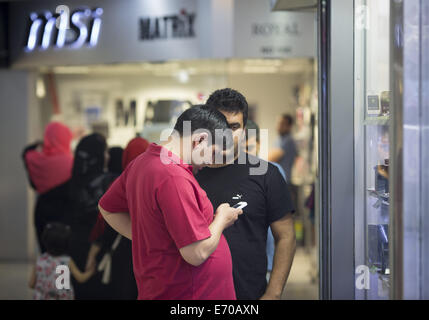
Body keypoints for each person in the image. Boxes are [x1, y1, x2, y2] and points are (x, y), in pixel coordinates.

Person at [98, 105, 242, 300]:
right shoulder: (173, 177)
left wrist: (153, 239)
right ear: (199, 140)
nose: (210, 161)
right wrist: (222, 219)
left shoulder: (142, 162)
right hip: (186, 293)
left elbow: (107, 209)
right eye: (213, 152)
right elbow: (196, 253)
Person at [196, 88, 296, 300]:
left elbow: (286, 236)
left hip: (249, 295)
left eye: (233, 127)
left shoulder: (266, 175)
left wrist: (273, 294)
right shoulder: (187, 175)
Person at [86, 138, 148, 300]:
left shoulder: (120, 184)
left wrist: (94, 252)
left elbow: (106, 222)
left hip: (124, 249)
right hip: (150, 250)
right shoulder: (158, 182)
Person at [65, 133, 114, 300]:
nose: (107, 156)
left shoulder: (69, 185)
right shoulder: (110, 183)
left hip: (72, 249)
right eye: (105, 152)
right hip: (100, 250)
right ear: (97, 156)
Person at [244, 120, 289, 279]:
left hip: (267, 256)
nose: (246, 154)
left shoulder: (273, 171)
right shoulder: (231, 174)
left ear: (258, 144)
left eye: (249, 147)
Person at [22, 121, 74, 253]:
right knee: (64, 259)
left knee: (46, 255)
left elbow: (26, 152)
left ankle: (46, 274)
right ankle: (62, 275)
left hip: (42, 213)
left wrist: (39, 143)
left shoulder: (34, 159)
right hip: (65, 215)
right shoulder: (72, 163)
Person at [28, 223, 95, 300]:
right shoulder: (67, 261)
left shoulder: (40, 260)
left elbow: (31, 284)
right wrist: (91, 272)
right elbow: (80, 278)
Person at [268, 114, 298, 184]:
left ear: (289, 127)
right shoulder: (279, 140)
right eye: (278, 123)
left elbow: (271, 158)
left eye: (282, 124)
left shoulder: (288, 141)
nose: (278, 126)